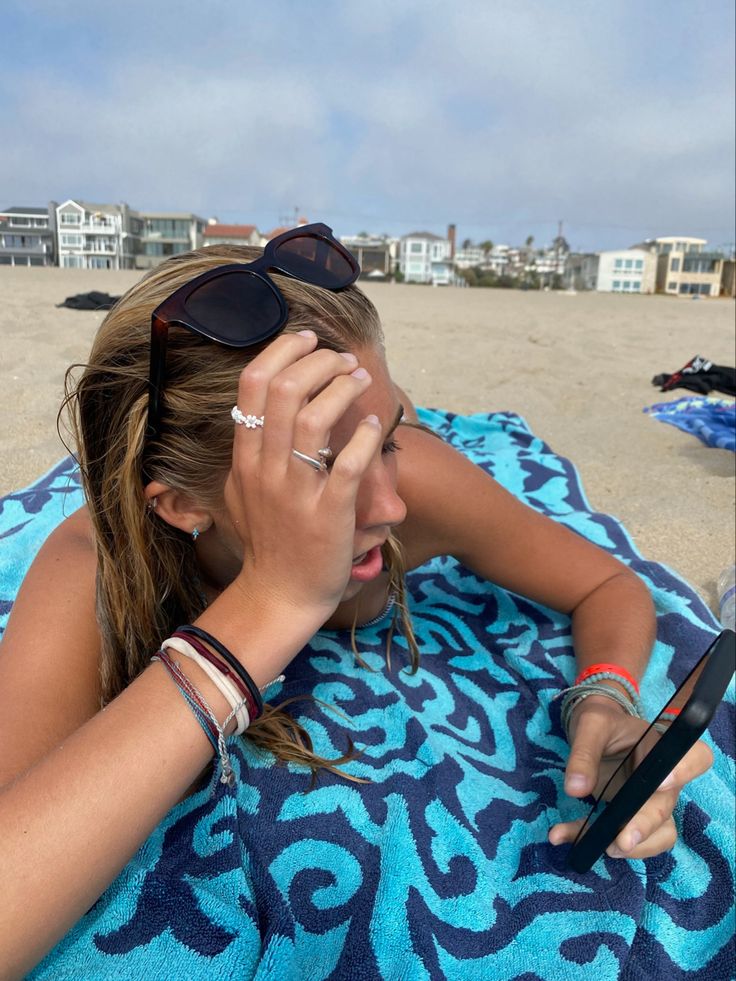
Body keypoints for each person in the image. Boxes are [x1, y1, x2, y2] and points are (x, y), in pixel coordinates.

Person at [0, 224, 713, 978]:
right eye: (327, 465)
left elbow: (605, 582)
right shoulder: (92, 565)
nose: (388, 503)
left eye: (391, 434)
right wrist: (272, 605)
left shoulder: (419, 486)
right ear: (181, 505)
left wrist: (599, 699)